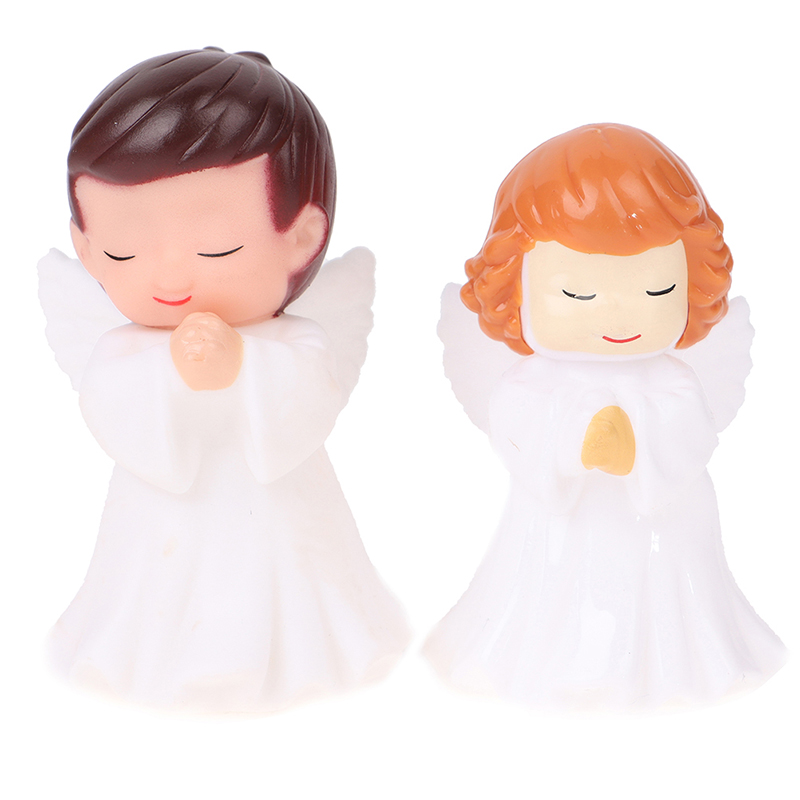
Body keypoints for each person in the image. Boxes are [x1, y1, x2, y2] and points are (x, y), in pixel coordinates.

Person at [40, 48, 409, 712]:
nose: (170, 276)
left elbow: (307, 407)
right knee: (151, 593)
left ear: (301, 237)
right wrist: (171, 378)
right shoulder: (123, 351)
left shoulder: (293, 342)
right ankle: (151, 652)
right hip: (159, 521)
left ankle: (295, 655)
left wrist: (241, 366)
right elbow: (112, 414)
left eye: (217, 247)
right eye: (123, 250)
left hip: (279, 513)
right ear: (86, 248)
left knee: (291, 585)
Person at [426, 123, 786, 710]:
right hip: (558, 522)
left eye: (657, 290)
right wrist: (570, 442)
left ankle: (670, 661)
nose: (619, 313)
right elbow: (516, 433)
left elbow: (691, 436)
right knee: (550, 575)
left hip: (663, 525)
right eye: (577, 295)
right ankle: (556, 657)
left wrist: (641, 448)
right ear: (515, 287)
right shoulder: (530, 384)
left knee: (667, 588)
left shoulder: (673, 381)